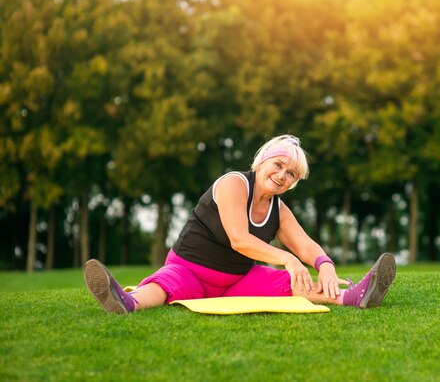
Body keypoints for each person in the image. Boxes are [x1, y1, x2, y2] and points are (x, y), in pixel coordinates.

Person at [84, 134, 396, 314]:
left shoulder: (279, 208)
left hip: (237, 280)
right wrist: (287, 258)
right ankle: (126, 302)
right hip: (188, 269)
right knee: (163, 287)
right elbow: (239, 240)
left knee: (294, 285)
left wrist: (324, 263)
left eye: (291, 175)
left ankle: (354, 296)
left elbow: (304, 244)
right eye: (278, 165)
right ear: (262, 162)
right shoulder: (233, 184)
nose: (282, 175)